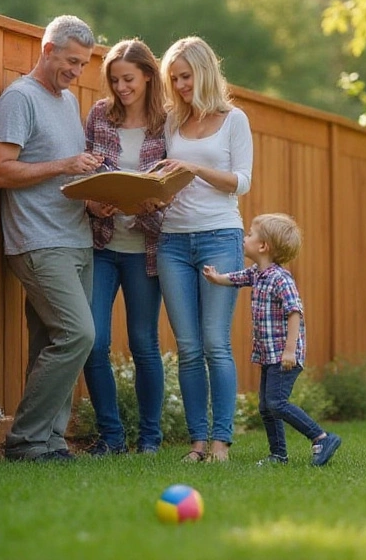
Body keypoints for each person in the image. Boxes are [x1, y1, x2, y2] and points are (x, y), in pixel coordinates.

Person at [0, 15, 103, 462]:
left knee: (50, 344)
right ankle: (24, 440)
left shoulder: (69, 102)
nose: (77, 71)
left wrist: (96, 200)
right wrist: (64, 166)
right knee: (78, 335)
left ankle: (50, 442)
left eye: (84, 64)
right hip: (37, 241)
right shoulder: (20, 98)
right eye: (71, 61)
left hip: (77, 238)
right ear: (47, 49)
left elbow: (67, 173)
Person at [151, 36, 253, 463]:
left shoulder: (234, 120)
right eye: (173, 79)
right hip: (173, 241)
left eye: (185, 76)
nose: (179, 85)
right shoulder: (172, 122)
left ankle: (221, 443)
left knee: (215, 343)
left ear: (205, 71)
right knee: (188, 348)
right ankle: (196, 443)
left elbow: (241, 181)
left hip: (219, 237)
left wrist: (193, 167)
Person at [80, 39, 169, 455]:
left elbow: (176, 183)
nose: (121, 88)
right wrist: (93, 202)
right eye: (114, 80)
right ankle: (111, 436)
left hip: (145, 248)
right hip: (102, 244)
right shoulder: (100, 116)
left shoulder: (168, 123)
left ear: (148, 76)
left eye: (128, 79)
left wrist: (157, 200)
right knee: (93, 341)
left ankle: (150, 437)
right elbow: (85, 171)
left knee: (143, 344)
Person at [203, 213, 342, 467]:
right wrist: (216, 278)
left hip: (284, 355)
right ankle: (278, 455)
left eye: (250, 234)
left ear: (263, 246)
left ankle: (322, 436)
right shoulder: (258, 273)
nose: (245, 238)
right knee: (267, 407)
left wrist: (290, 351)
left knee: (277, 403)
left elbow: (295, 312)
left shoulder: (281, 278)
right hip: (269, 354)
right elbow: (236, 279)